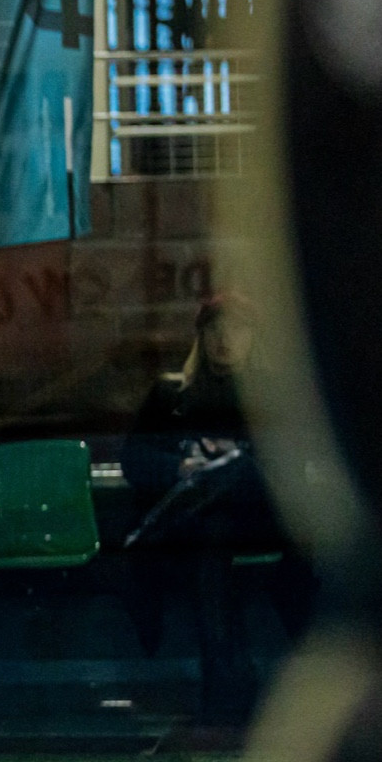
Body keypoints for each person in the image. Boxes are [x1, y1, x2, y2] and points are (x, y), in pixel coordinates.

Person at [121, 293, 315, 725]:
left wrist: (234, 460)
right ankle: (227, 689)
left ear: (253, 337)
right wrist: (182, 467)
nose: (225, 338)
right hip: (208, 527)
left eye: (236, 329)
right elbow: (134, 458)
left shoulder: (273, 394)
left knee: (240, 471)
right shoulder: (172, 394)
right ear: (202, 336)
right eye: (214, 329)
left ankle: (167, 521)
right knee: (212, 533)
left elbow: (293, 466)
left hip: (261, 518)